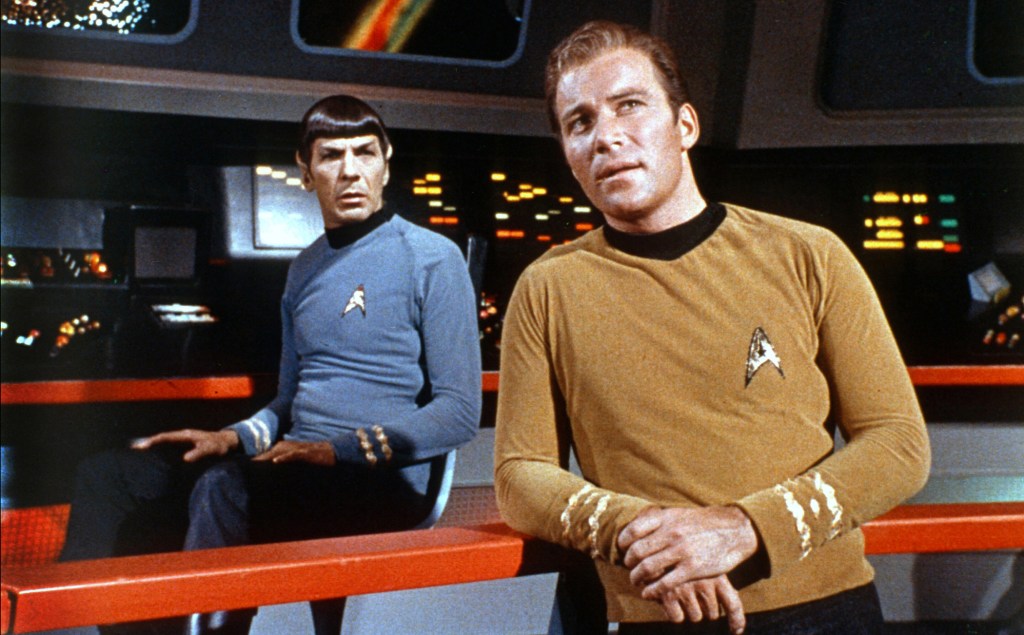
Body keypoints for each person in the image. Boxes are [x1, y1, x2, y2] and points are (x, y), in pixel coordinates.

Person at [494, 21, 930, 635]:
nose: (607, 136)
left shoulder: (809, 255)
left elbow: (898, 444)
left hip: (826, 610)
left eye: (629, 105)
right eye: (580, 122)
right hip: (659, 613)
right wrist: (649, 535)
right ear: (568, 151)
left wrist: (742, 528)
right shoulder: (546, 288)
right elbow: (519, 475)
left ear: (686, 126)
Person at [61, 94, 482, 634]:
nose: (350, 171)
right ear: (306, 172)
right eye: (331, 156)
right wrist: (230, 438)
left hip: (378, 481)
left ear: (386, 161)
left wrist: (333, 450)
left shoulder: (431, 257)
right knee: (110, 476)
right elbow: (287, 401)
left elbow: (458, 413)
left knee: (222, 489)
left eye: (365, 153)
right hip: (294, 468)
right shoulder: (305, 268)